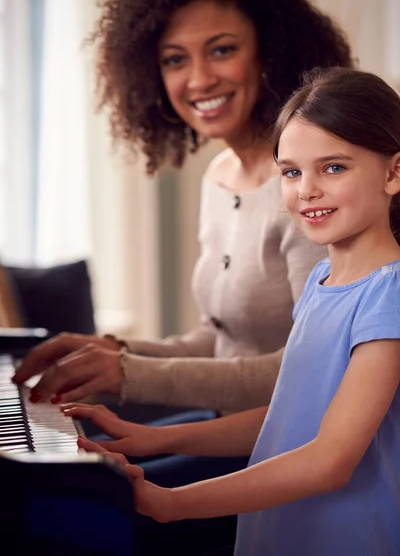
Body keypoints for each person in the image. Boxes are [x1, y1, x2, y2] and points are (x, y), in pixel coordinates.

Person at [62, 67, 400, 555]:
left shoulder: (387, 296)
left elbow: (330, 459)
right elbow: (288, 415)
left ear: (393, 172)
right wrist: (151, 438)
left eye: (333, 167)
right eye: (290, 171)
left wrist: (168, 501)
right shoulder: (320, 280)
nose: (306, 189)